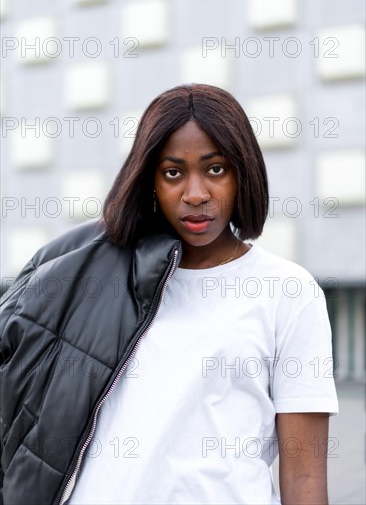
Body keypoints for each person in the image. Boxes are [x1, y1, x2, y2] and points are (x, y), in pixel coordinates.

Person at [0, 83, 338, 505]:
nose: (195, 194)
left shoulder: (288, 292)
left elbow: (304, 476)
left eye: (215, 169)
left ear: (242, 172)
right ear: (150, 183)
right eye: (173, 172)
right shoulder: (103, 279)